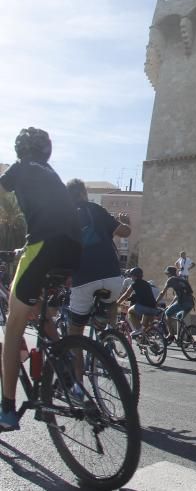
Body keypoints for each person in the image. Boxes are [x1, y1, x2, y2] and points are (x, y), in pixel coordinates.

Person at [0, 128, 82, 430]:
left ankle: (7, 409)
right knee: (40, 310)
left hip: (44, 245)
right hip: (72, 249)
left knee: (13, 326)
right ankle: (66, 372)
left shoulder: (20, 168)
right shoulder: (51, 173)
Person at [64, 179, 130, 342]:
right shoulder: (96, 209)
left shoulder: (66, 216)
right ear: (82, 193)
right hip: (112, 277)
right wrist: (126, 222)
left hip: (83, 279)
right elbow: (125, 232)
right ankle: (110, 331)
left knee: (75, 333)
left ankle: (78, 368)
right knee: (112, 299)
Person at [155, 266, 195, 341]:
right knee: (179, 317)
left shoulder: (171, 280)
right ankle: (188, 336)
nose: (167, 276)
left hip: (182, 302)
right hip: (190, 303)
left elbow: (162, 293)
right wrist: (170, 305)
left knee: (167, 313)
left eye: (167, 274)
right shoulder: (182, 279)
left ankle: (171, 334)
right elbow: (177, 296)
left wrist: (155, 302)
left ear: (169, 273)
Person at [116, 267, 159, 336]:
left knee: (130, 311)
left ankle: (137, 329)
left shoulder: (134, 284)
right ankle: (146, 340)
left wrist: (117, 302)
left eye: (131, 276)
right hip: (153, 308)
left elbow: (126, 294)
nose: (131, 278)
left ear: (134, 276)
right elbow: (144, 294)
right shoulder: (147, 284)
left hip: (143, 307)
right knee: (144, 328)